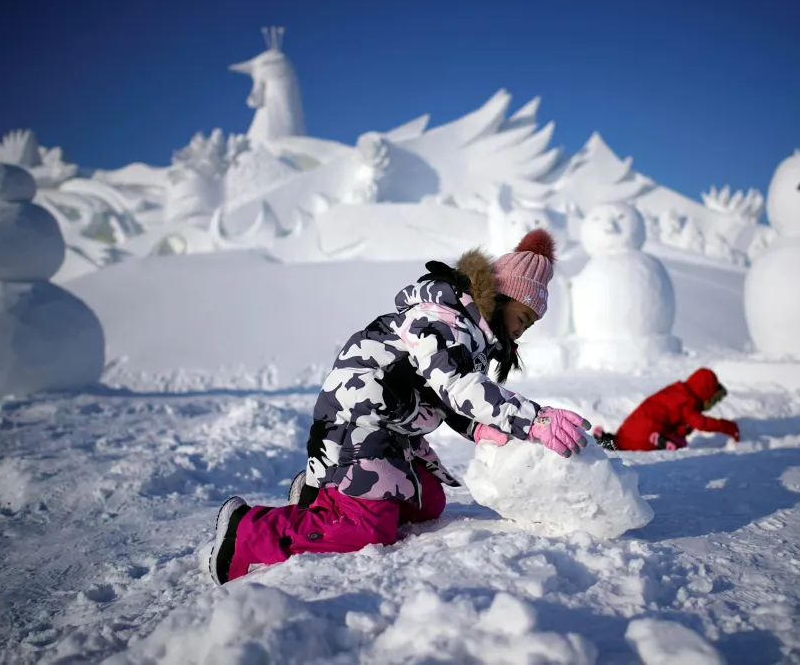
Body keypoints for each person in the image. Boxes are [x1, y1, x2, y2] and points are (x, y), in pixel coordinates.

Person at [209, 229, 592, 585]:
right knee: (369, 529)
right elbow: (457, 385)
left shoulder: (472, 333)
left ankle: (325, 497)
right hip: (356, 421)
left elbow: (444, 393)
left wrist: (478, 428)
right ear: (503, 297)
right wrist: (534, 420)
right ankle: (246, 530)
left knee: (429, 502)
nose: (522, 330)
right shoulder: (442, 321)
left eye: (531, 324)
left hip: (392, 430)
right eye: (523, 318)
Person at [592, 368, 739, 451]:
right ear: (705, 392)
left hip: (632, 425)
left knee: (622, 441)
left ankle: (606, 440)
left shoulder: (677, 390)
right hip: (648, 433)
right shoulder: (688, 402)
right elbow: (701, 423)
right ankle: (664, 442)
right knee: (680, 443)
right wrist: (729, 427)